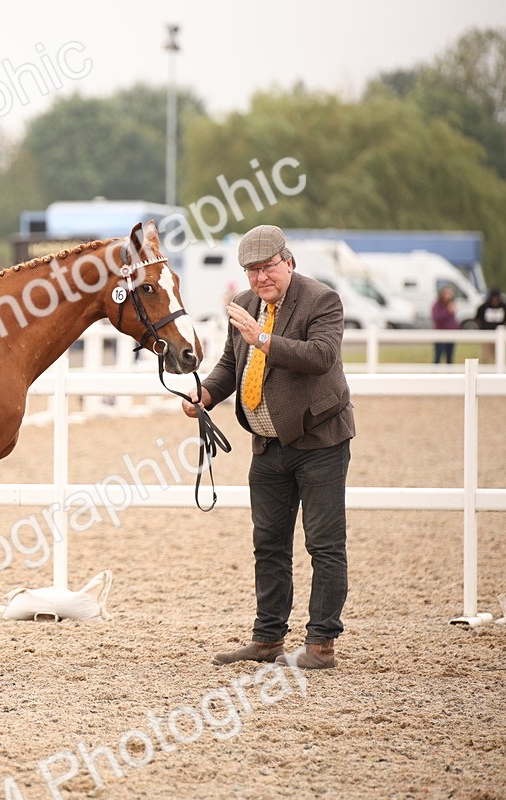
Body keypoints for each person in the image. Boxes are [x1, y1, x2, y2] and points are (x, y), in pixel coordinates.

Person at [182, 225, 355, 670]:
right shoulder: (243, 306)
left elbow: (320, 357)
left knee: (324, 544)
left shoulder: (322, 301)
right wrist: (206, 396)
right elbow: (228, 364)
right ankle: (267, 638)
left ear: (288, 261)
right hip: (267, 444)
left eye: (268, 267)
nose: (260, 278)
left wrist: (262, 337)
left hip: (320, 440)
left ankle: (321, 645)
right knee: (269, 544)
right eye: (252, 270)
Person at [475, 288, 505, 364]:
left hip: (499, 335)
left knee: (499, 356)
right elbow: (477, 319)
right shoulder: (483, 307)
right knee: (485, 356)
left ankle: (499, 374)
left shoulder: (503, 306)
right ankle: (483, 373)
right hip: (486, 335)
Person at [431, 285, 460, 364]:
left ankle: (450, 375)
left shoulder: (451, 304)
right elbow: (437, 318)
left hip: (451, 334)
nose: (449, 295)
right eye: (447, 293)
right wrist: (447, 311)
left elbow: (452, 321)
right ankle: (434, 375)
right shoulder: (437, 305)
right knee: (437, 357)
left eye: (450, 293)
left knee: (450, 359)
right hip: (440, 335)